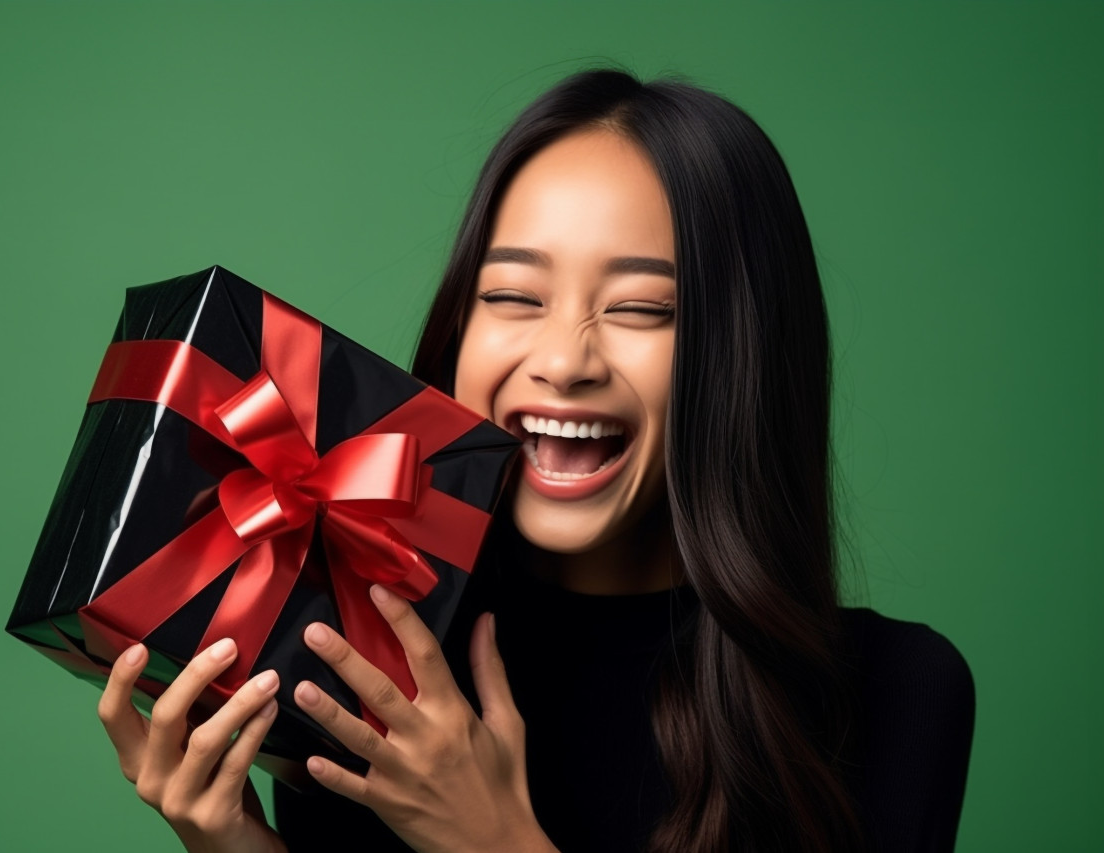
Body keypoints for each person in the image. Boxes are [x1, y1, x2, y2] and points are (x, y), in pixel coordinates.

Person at [96, 69, 975, 853]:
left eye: (640, 308)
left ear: (741, 357)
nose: (564, 360)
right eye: (514, 295)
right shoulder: (375, 657)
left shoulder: (894, 696)